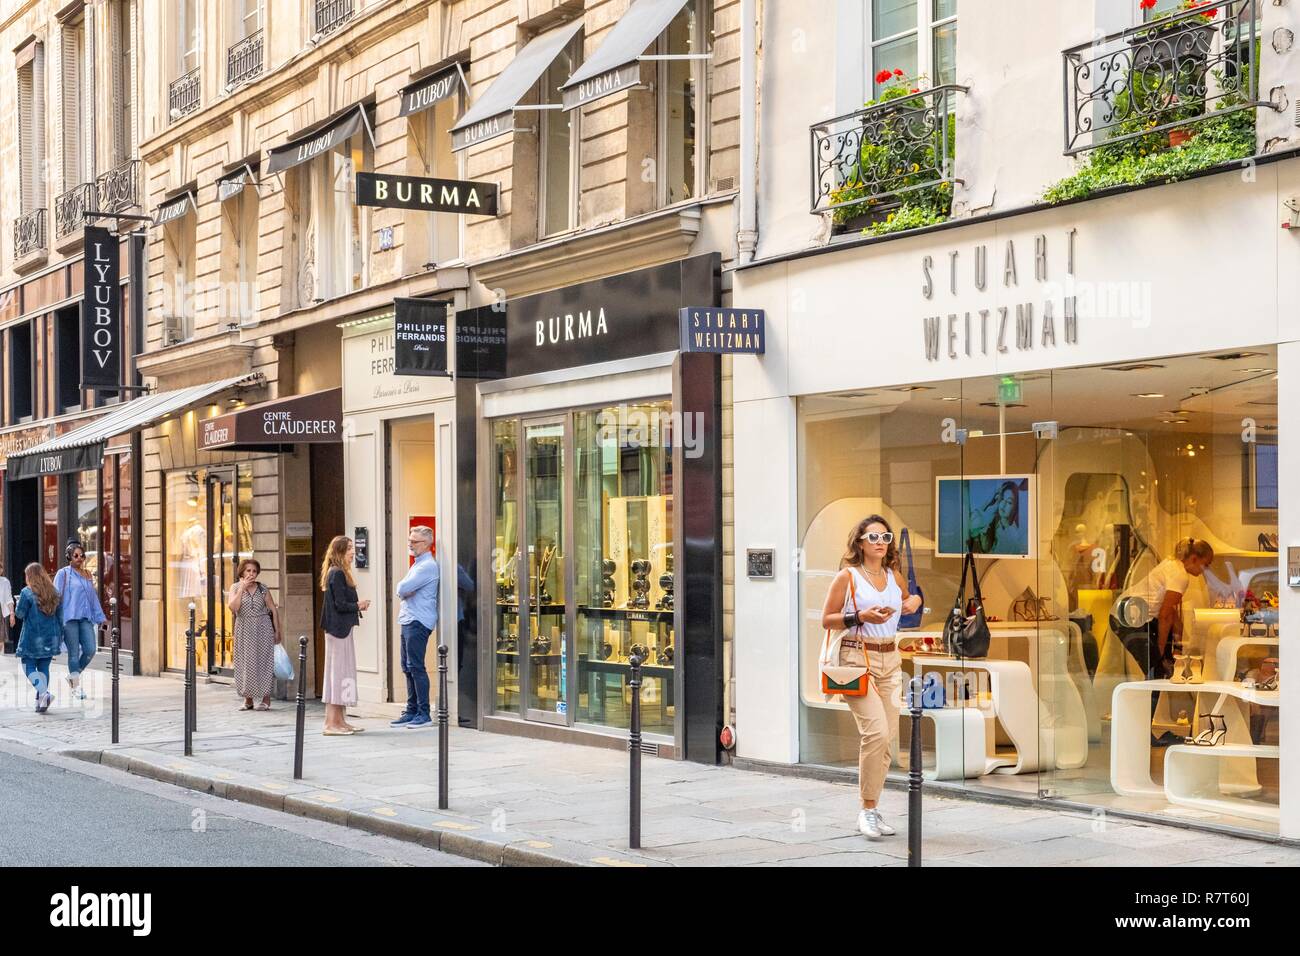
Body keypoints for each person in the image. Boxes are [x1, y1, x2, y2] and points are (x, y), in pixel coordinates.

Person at [819, 514, 923, 840]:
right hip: (855, 657)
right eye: (873, 537)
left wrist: (914, 601)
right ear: (860, 542)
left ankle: (873, 808)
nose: (880, 543)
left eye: (885, 538)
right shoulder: (847, 577)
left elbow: (909, 601)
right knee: (875, 733)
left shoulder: (894, 576)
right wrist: (859, 616)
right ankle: (866, 811)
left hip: (891, 659)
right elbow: (827, 619)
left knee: (887, 739)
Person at [1111, 538, 1213, 724]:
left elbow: (1170, 612)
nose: (1205, 570)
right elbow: (1165, 616)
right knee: (1156, 670)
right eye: (1205, 565)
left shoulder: (1172, 564)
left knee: (1162, 668)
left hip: (1135, 615)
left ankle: (1152, 723)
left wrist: (1177, 641)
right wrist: (1159, 649)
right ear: (1193, 558)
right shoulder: (1180, 576)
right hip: (1128, 617)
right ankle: (1145, 727)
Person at [319, 535, 370, 736]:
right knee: (338, 675)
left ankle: (340, 721)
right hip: (338, 630)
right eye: (349, 548)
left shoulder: (339, 573)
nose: (353, 552)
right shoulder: (337, 573)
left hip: (341, 629)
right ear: (340, 551)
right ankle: (331, 723)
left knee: (343, 674)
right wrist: (359, 605)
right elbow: (339, 604)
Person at [392, 525, 440, 729]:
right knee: (407, 667)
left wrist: (404, 591)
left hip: (418, 621)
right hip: (408, 619)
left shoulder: (426, 566)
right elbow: (401, 589)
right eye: (409, 540)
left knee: (416, 667)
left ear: (427, 543)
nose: (410, 544)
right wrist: (404, 591)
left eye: (415, 541)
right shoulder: (417, 564)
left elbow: (402, 588)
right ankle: (411, 710)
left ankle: (423, 713)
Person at [54, 541, 106, 700]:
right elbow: (55, 597)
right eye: (76, 555)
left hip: (85, 618)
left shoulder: (88, 575)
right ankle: (75, 686)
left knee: (90, 649)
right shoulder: (63, 574)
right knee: (74, 654)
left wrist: (100, 618)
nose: (80, 558)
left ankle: (72, 677)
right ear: (69, 557)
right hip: (69, 619)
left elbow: (93, 599)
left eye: (82, 555)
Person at [228, 558, 281, 712]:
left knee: (264, 663)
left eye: (254, 571)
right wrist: (242, 589)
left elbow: (273, 610)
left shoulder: (262, 588)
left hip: (263, 628)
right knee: (245, 663)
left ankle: (266, 698)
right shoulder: (235, 587)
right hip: (244, 628)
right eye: (248, 570)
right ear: (242, 572)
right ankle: (248, 699)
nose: (251, 574)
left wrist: (277, 631)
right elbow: (233, 607)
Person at [15, 563, 64, 714]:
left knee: (27, 666)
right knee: (43, 667)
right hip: (51, 636)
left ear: (30, 576)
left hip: (33, 637)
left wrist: (18, 603)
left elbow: (20, 614)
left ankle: (43, 693)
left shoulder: (26, 593)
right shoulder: (54, 592)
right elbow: (60, 617)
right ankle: (41, 702)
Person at [968, 480, 1027, 556]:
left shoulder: (1014, 535)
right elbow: (972, 526)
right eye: (1002, 499)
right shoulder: (990, 522)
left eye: (1009, 502)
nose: (1003, 504)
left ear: (1015, 507)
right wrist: (990, 500)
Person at [0, 561, 14, 650]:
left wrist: (12, 613)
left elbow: (9, 599)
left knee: (1, 640)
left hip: (0, 613)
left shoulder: (5, 582)